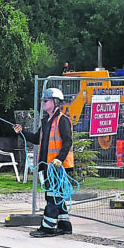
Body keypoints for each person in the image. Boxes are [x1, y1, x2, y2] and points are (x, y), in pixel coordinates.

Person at [14, 85, 75, 236]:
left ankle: (47, 228)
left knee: (52, 195)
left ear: (55, 102)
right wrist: (22, 132)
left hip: (57, 166)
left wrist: (59, 159)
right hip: (48, 165)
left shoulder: (62, 120)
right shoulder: (47, 121)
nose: (43, 103)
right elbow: (36, 138)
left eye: (46, 100)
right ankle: (64, 225)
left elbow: (67, 141)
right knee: (57, 195)